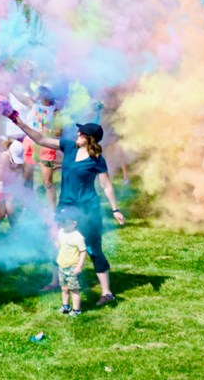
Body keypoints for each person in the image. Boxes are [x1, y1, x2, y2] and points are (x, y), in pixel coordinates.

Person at [8, 112, 125, 306]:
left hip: (88, 208)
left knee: (93, 248)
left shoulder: (96, 159)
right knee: (58, 242)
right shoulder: (69, 147)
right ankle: (55, 282)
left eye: (82, 132)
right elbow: (41, 139)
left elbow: (106, 185)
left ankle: (107, 293)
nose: (78, 132)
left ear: (90, 138)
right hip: (66, 206)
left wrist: (115, 209)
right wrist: (19, 122)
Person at [0, 138, 26, 237]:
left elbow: (20, 173)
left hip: (8, 187)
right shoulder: (4, 157)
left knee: (11, 212)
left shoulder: (18, 156)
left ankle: (15, 234)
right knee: (1, 213)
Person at [55, 208, 87, 316]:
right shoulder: (61, 232)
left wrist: (79, 267)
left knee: (74, 290)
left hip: (72, 268)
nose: (61, 224)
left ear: (74, 223)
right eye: (61, 221)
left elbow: (83, 252)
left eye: (64, 222)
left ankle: (76, 310)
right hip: (62, 266)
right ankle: (66, 306)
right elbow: (59, 243)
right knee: (64, 288)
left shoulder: (77, 237)